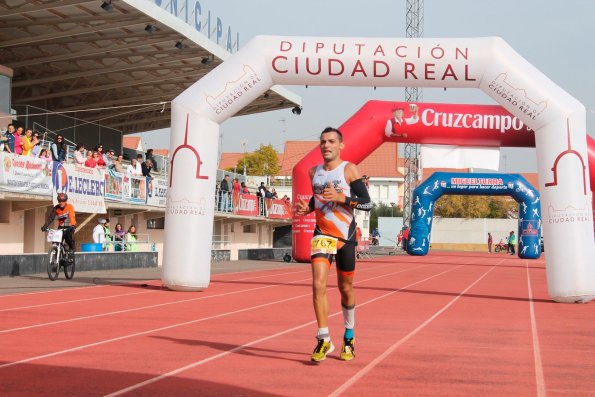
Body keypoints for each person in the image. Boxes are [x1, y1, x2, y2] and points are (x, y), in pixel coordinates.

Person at [295, 127, 372, 362]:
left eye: (330, 142)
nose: (325, 146)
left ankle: (349, 337)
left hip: (345, 238)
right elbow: (317, 198)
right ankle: (323, 338)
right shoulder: (313, 172)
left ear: (340, 145)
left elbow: (368, 204)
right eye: (322, 142)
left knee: (345, 288)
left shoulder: (348, 169)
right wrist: (307, 208)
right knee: (318, 284)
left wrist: (343, 198)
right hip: (323, 235)